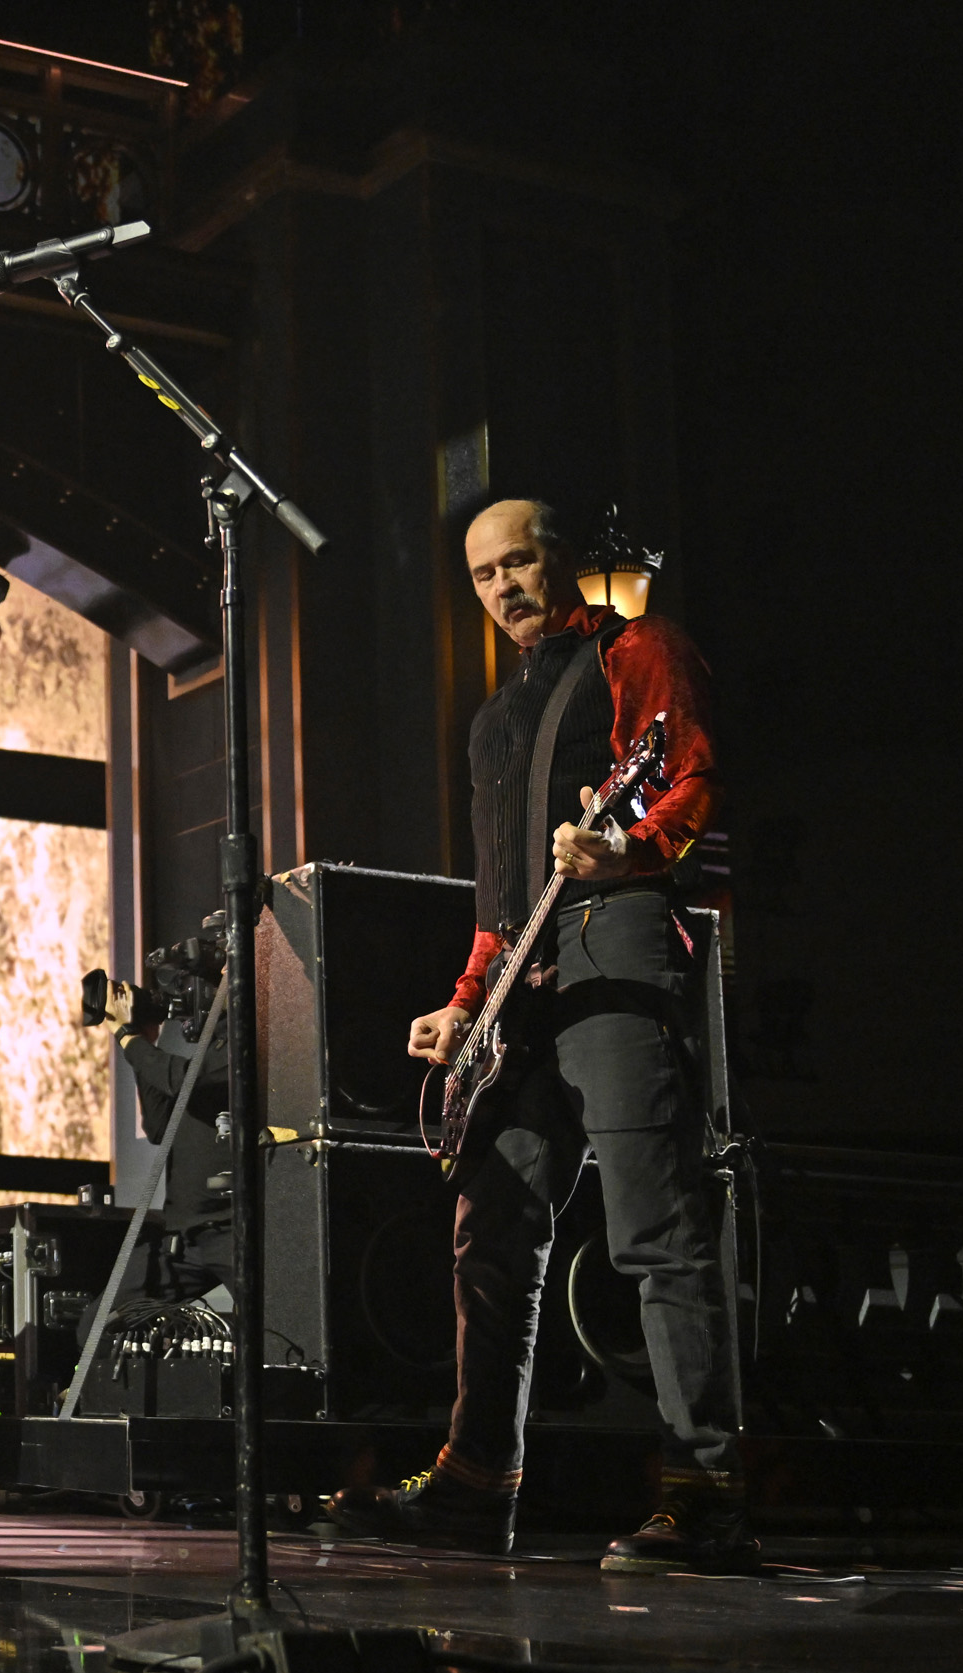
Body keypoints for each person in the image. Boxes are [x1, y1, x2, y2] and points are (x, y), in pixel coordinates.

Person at [331, 497, 741, 1573]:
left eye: (520, 562)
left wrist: (633, 848)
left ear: (563, 559)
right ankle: (476, 1483)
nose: (505, 586)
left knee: (653, 1223)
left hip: (622, 943)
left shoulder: (639, 649)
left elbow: (689, 774)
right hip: (526, 982)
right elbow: (498, 899)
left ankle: (704, 1490)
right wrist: (465, 998)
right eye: (482, 574)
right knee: (491, 1228)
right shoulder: (491, 721)